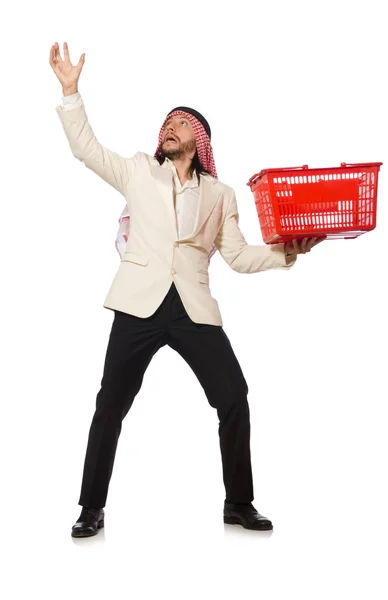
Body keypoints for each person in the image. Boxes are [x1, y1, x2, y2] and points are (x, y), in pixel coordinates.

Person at [50, 41, 325, 537]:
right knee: (111, 402)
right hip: (138, 303)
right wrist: (71, 93)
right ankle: (91, 507)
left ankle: (238, 502)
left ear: (197, 139)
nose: (168, 127)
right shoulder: (137, 169)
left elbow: (238, 256)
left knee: (233, 396)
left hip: (193, 308)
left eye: (179, 123)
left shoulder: (221, 195)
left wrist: (288, 252)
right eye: (166, 122)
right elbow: (85, 149)